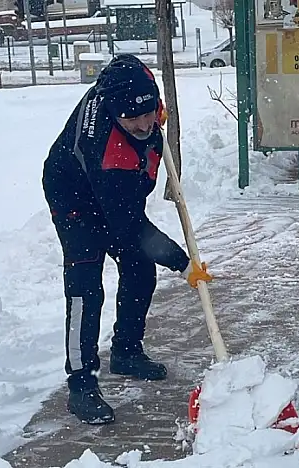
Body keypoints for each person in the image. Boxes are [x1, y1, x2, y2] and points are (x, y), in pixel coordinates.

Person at [42, 54, 213, 425]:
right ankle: (81, 382)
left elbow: (133, 74)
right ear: (113, 112)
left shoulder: (134, 86)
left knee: (139, 270)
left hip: (114, 193)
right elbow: (130, 227)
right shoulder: (108, 152)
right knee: (85, 286)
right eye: (132, 118)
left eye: (149, 111)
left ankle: (126, 351)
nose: (144, 123)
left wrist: (154, 115)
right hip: (74, 198)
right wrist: (183, 263)